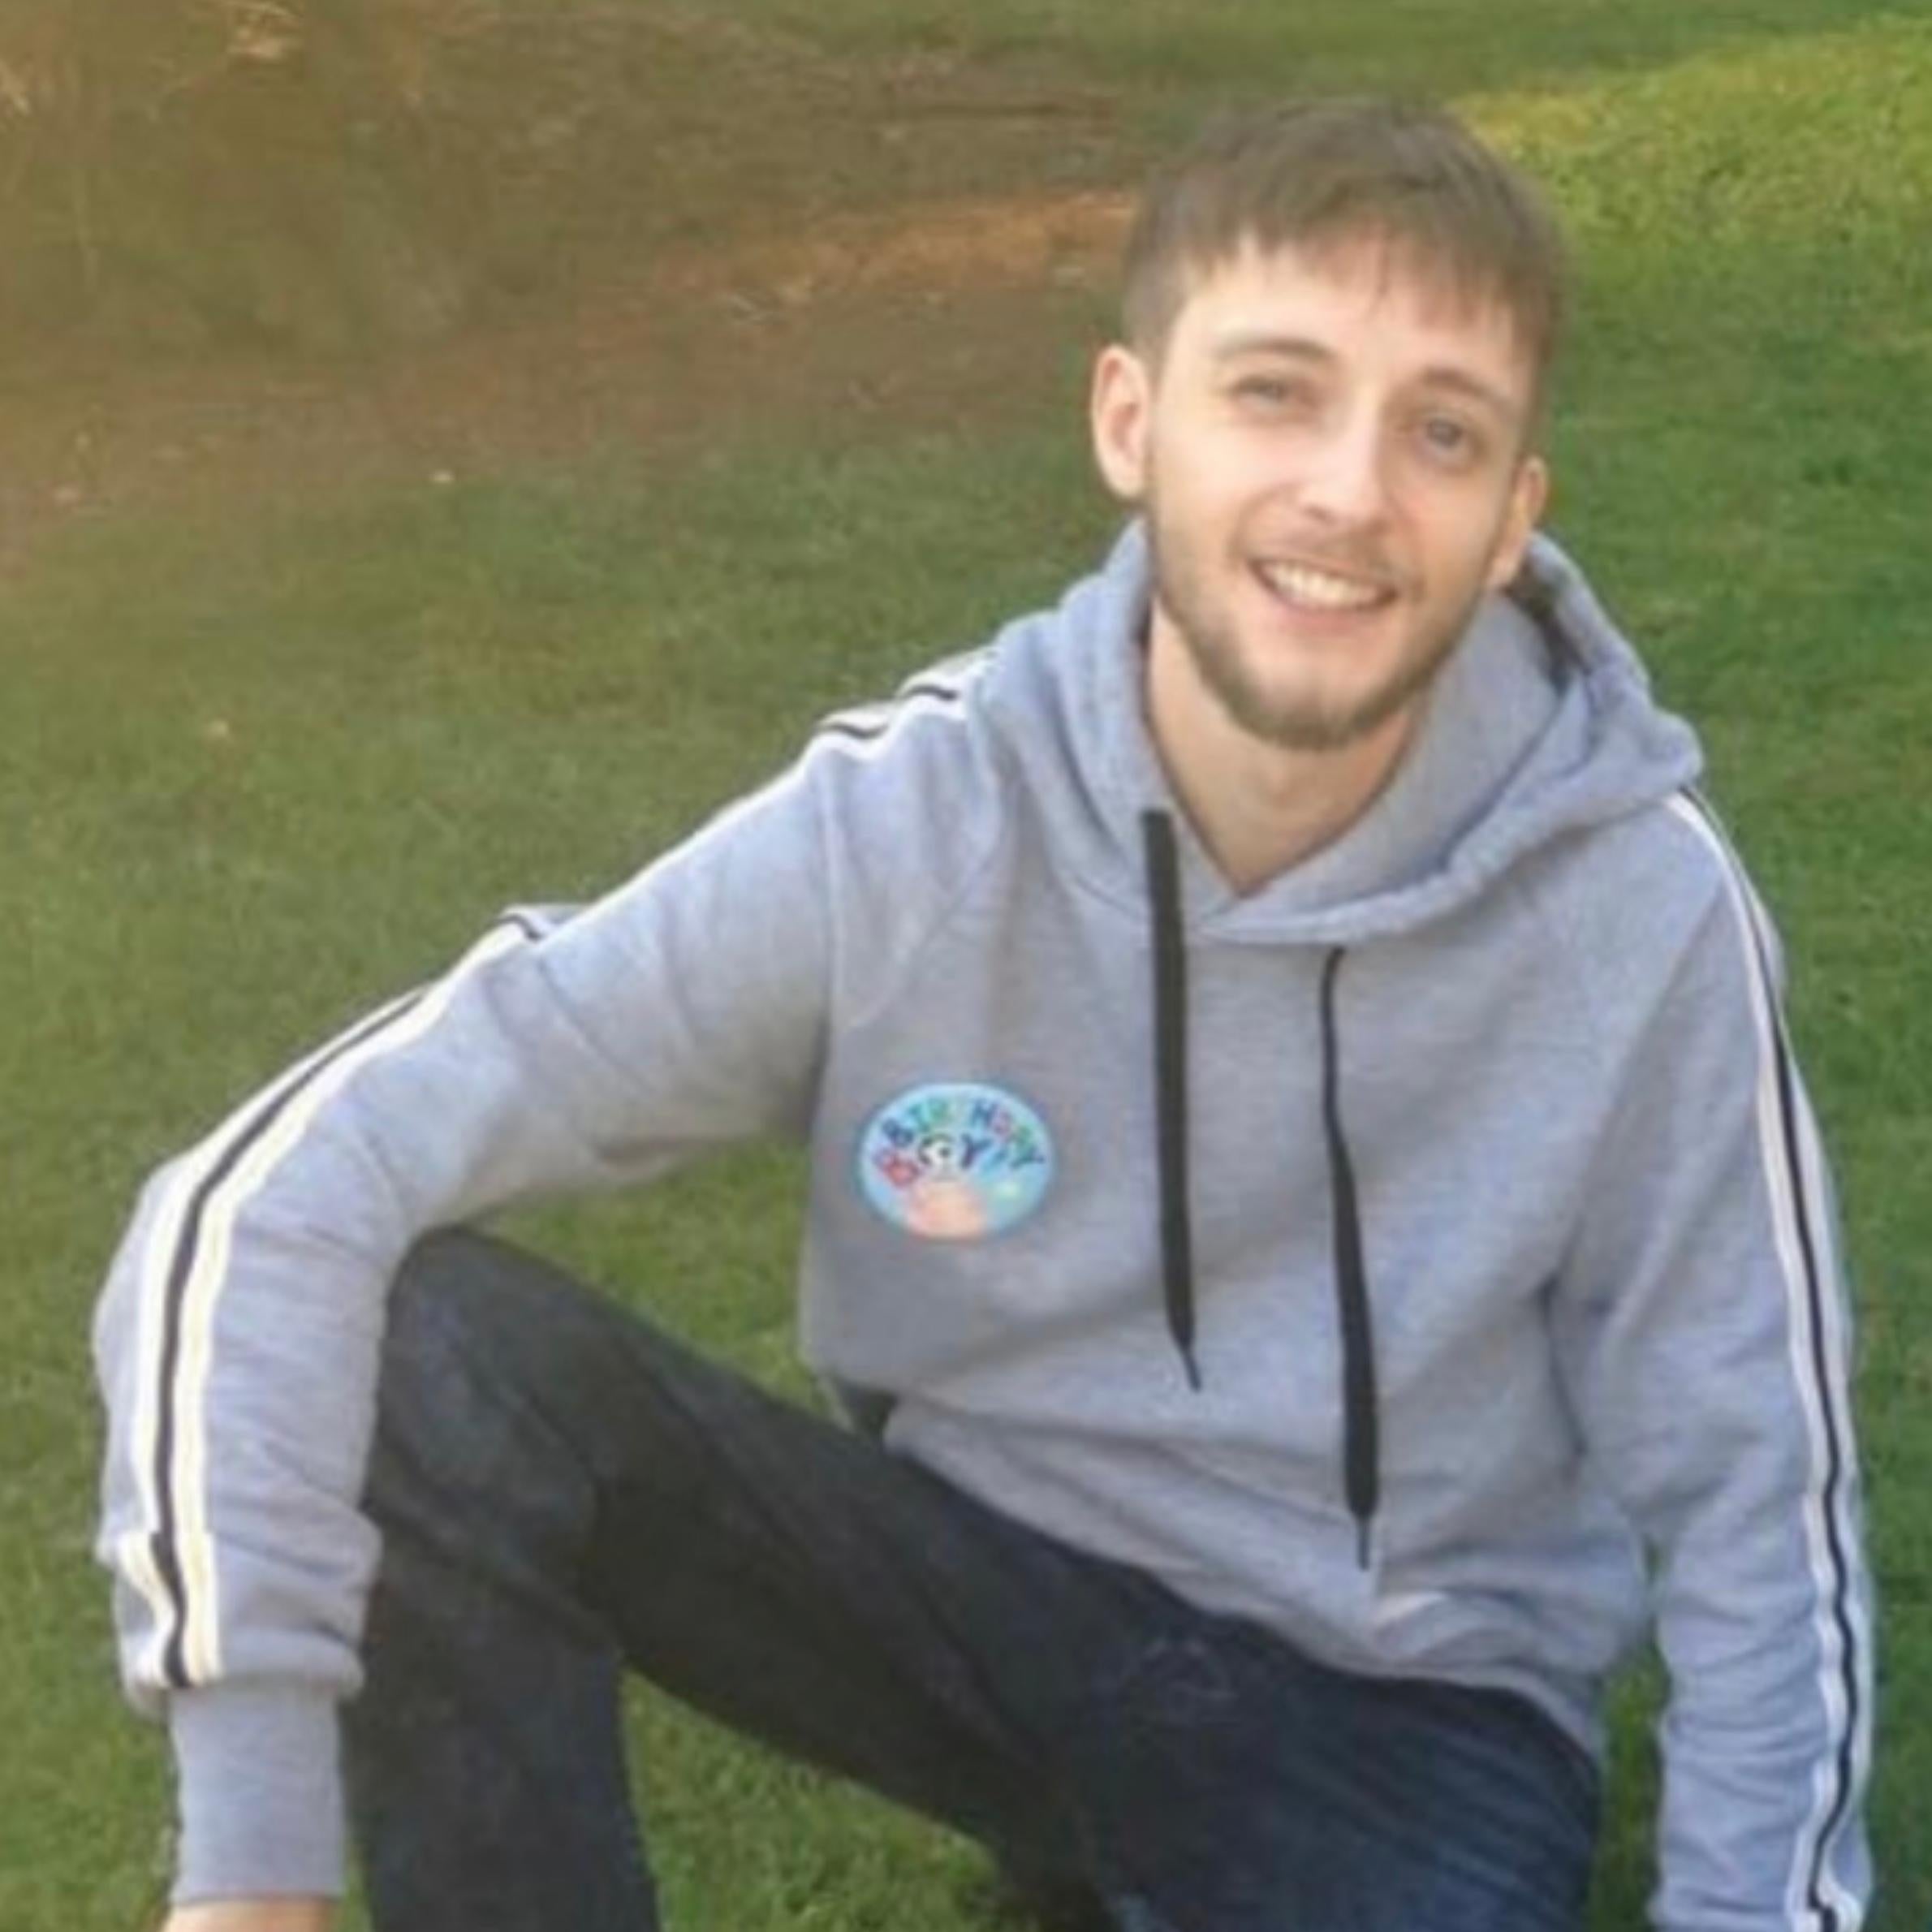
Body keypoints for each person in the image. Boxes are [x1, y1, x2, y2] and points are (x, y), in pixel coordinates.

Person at [94, 98, 1874, 1932]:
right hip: (975, 1607)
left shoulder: (1632, 908)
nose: (1347, 488)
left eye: (1437, 429)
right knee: (427, 1350)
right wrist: (252, 1865)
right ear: (1129, 420)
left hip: (1402, 1725)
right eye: (1272, 389)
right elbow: (266, 1192)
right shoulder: (921, 820)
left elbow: (1759, 1483)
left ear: (1510, 520)